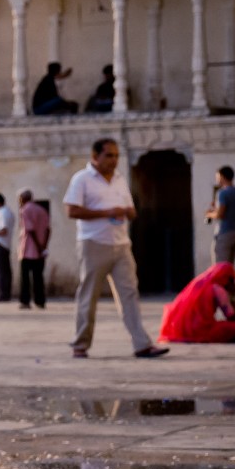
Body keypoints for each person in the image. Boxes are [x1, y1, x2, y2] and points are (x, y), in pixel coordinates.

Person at [63, 137, 169, 359]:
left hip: (121, 244)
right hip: (93, 243)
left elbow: (131, 209)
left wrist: (127, 212)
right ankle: (80, 344)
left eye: (116, 156)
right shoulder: (82, 179)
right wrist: (106, 213)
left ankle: (142, 344)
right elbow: (71, 211)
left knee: (129, 294)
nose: (113, 160)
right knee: (89, 295)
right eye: (109, 155)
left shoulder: (120, 179)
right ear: (95, 157)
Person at [158, 263, 235, 345]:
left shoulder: (198, 283)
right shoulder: (217, 288)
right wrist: (233, 297)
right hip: (202, 330)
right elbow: (231, 317)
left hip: (181, 330)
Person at [17, 189, 50, 310]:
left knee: (25, 277)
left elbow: (30, 230)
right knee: (38, 277)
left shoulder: (25, 210)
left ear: (22, 198)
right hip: (40, 249)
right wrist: (44, 246)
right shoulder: (41, 210)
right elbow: (48, 229)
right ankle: (40, 301)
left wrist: (38, 247)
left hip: (28, 249)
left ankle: (25, 301)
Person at [207, 165, 235, 271]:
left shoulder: (222, 193)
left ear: (222, 176)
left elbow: (220, 214)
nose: (217, 179)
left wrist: (209, 214)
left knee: (219, 270)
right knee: (229, 269)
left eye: (218, 176)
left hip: (224, 233)